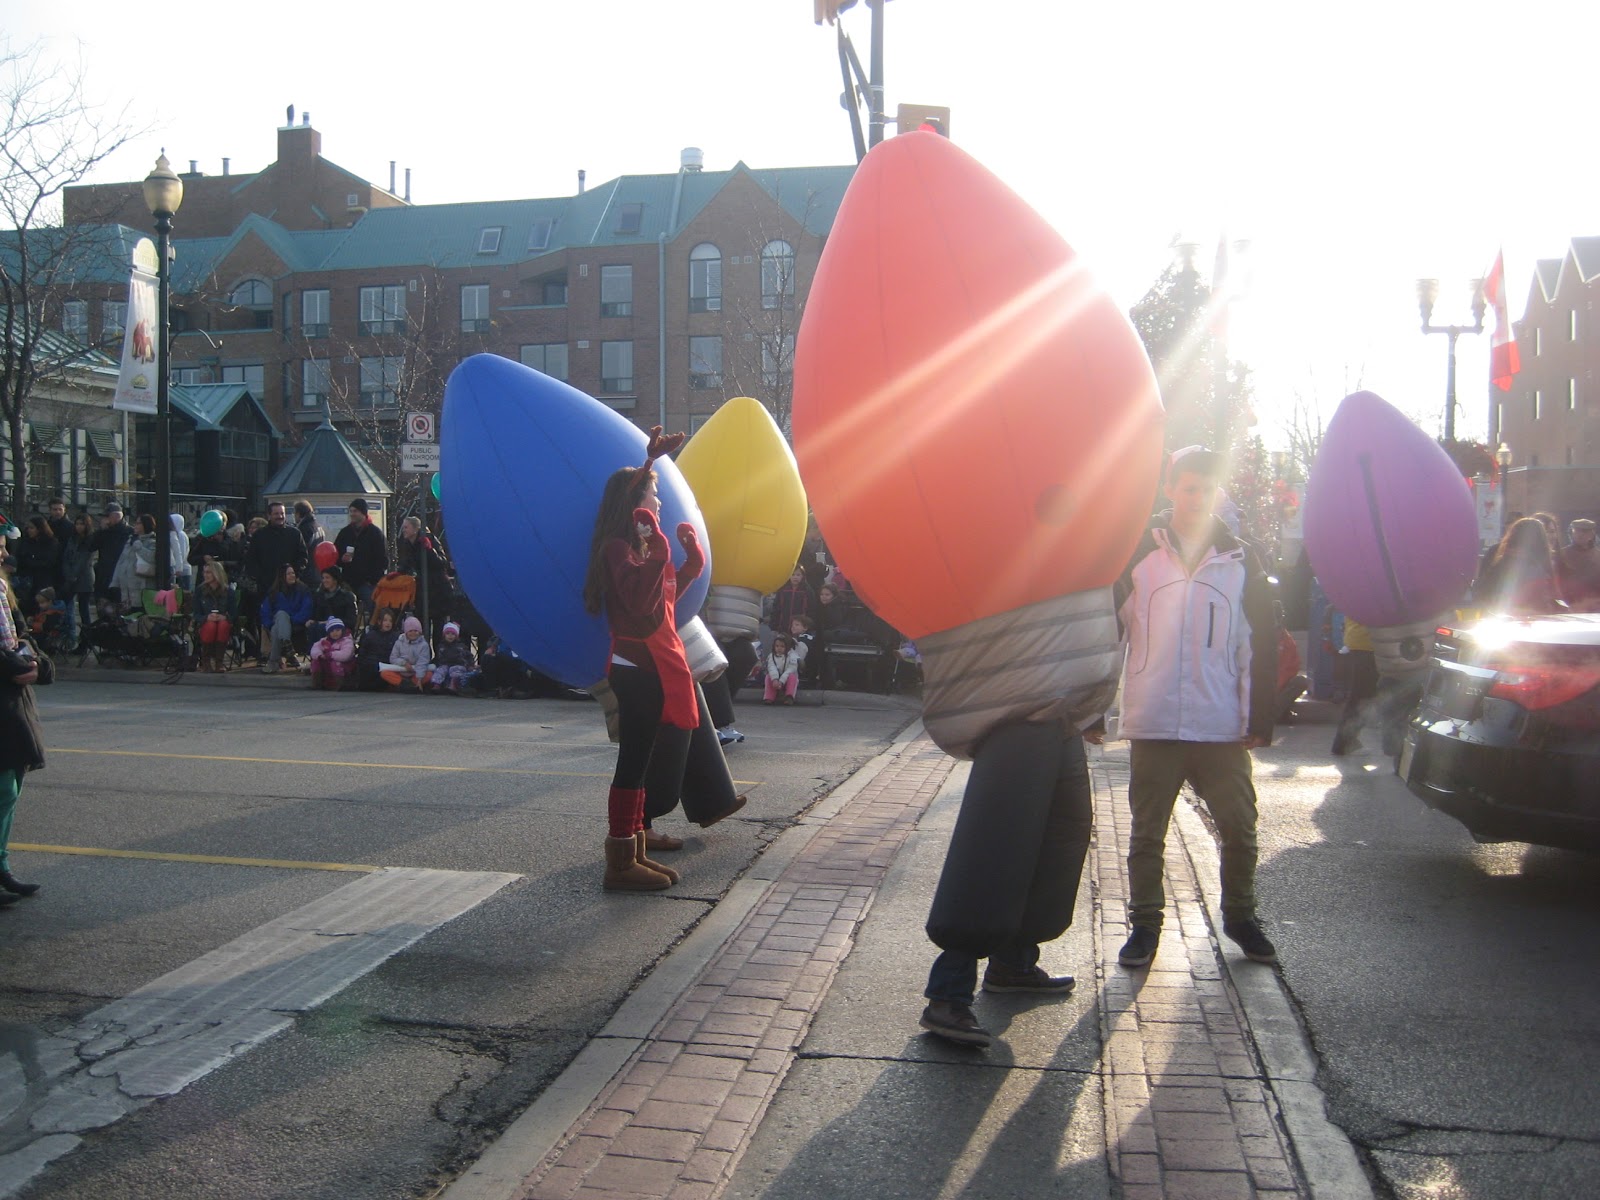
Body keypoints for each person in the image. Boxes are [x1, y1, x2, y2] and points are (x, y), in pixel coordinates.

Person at [1109, 446, 1279, 970]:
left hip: (1219, 723)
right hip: (1154, 720)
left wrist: (1259, 717)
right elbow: (1108, 634)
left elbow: (1260, 641)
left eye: (1207, 489)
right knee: (1147, 834)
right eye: (1189, 488)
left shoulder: (1241, 559)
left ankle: (1241, 917)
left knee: (1240, 828)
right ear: (1171, 490)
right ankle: (1144, 926)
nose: (1198, 498)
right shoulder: (1138, 553)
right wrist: (1093, 711)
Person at [581, 430, 707, 892]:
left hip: (651, 666)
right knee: (633, 763)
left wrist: (689, 565)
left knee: (640, 761)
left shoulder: (634, 548)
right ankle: (619, 861)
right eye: (653, 496)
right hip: (635, 668)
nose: (659, 503)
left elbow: (660, 603)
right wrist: (661, 551)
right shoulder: (618, 549)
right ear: (636, 506)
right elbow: (637, 603)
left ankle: (633, 850)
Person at [0, 566, 44, 905]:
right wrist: (14, 667)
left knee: (11, 788)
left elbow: (22, 635)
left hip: (12, 703)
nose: (3, 554)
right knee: (3, 790)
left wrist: (36, 663)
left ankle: (1, 866)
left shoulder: (3, 589)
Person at [1473, 517, 1564, 616]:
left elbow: (1485, 592)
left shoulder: (1502, 561)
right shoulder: (1534, 566)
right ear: (1540, 539)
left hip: (1499, 617)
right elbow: (1540, 599)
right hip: (1531, 618)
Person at [334, 498, 389, 621]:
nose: (352, 514)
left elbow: (383, 560)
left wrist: (372, 580)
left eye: (355, 511)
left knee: (374, 608)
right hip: (348, 581)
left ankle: (373, 628)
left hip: (367, 583)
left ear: (363, 513)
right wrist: (342, 559)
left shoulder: (375, 533)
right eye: (351, 511)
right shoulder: (345, 533)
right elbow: (335, 555)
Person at [1330, 617, 1377, 756]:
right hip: (1367, 642)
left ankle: (1345, 741)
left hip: (1357, 639)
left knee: (1362, 694)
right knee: (1362, 695)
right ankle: (1344, 742)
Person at [243, 502, 309, 602]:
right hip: (266, 587)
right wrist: (260, 577)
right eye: (276, 514)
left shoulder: (295, 534)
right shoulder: (259, 535)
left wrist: (294, 574)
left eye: (282, 513)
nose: (280, 516)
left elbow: (303, 557)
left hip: (289, 586)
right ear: (269, 516)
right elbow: (251, 559)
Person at [258, 564, 314, 674]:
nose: (292, 575)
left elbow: (307, 609)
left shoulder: (303, 590)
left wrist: (289, 621)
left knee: (278, 623)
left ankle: (273, 663)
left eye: (293, 573)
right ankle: (286, 644)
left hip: (296, 623)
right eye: (289, 574)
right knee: (280, 616)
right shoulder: (273, 592)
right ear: (282, 576)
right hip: (277, 622)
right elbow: (265, 611)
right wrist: (269, 624)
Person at [59, 514, 96, 651]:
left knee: (84, 610)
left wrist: (73, 575)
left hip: (84, 578)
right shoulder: (72, 539)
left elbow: (84, 560)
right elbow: (66, 557)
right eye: (77, 524)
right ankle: (69, 638)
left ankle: (86, 642)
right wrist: (68, 574)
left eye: (82, 524)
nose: (79, 527)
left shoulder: (90, 540)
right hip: (70, 577)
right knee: (66, 605)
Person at [13, 517, 61, 617]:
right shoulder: (26, 541)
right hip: (27, 580)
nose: (29, 530)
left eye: (32, 528)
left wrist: (32, 560)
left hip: (43, 580)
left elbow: (49, 562)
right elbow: (20, 557)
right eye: (28, 528)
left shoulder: (51, 542)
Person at [110, 514, 159, 610]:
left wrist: (138, 545)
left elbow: (151, 557)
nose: (135, 526)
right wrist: (115, 582)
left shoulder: (152, 541)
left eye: (138, 523)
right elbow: (121, 561)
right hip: (126, 586)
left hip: (141, 586)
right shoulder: (131, 540)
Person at [193, 561, 235, 672]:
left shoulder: (228, 592)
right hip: (205, 623)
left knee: (223, 625)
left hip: (222, 622)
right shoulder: (199, 591)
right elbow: (196, 614)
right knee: (211, 625)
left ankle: (219, 662)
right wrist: (207, 617)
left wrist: (225, 617)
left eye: (209, 572)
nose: (205, 575)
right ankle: (206, 661)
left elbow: (234, 613)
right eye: (204, 572)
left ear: (217, 573)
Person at [90, 502, 134, 607]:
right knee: (103, 608)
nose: (104, 519)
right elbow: (90, 546)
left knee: (120, 608)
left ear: (116, 516)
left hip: (121, 577)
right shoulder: (104, 532)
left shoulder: (129, 532)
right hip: (104, 576)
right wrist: (100, 531)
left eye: (107, 516)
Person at [307, 566, 359, 651]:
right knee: (313, 627)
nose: (324, 580)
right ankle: (314, 653)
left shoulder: (347, 596)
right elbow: (316, 615)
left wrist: (331, 622)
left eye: (327, 578)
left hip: (341, 628)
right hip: (322, 626)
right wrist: (312, 620)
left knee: (322, 628)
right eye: (323, 578)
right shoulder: (320, 596)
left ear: (335, 580)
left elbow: (351, 621)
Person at [1557, 518, 1600, 612]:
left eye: (1584, 531)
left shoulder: (1597, 555)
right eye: (1576, 531)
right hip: (1571, 605)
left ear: (1592, 534)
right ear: (1571, 533)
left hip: (1595, 606)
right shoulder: (1562, 554)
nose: (1580, 534)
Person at [381, 615, 431, 692]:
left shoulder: (424, 645)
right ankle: (404, 684)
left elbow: (423, 662)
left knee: (429, 674)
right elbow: (393, 658)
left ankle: (413, 684)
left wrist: (419, 678)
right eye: (410, 631)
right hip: (400, 672)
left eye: (416, 631)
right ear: (406, 632)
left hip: (416, 673)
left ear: (420, 632)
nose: (413, 633)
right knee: (384, 673)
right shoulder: (399, 643)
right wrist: (404, 663)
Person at [356, 607, 402, 691]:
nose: (388, 623)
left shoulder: (396, 637)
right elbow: (362, 654)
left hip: (389, 665)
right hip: (373, 665)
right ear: (379, 621)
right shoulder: (371, 636)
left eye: (390, 621)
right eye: (385, 620)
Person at [425, 621, 476, 694]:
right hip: (445, 664)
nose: (450, 636)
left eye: (452, 634)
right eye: (448, 634)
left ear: (456, 636)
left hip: (459, 664)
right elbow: (438, 657)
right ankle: (436, 685)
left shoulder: (461, 646)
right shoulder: (441, 646)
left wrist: (471, 665)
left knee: (455, 671)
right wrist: (433, 663)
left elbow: (469, 656)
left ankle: (453, 685)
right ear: (444, 635)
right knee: (440, 670)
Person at [308, 616, 356, 690]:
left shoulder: (346, 641)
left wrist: (331, 655)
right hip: (327, 665)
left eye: (337, 630)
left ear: (342, 630)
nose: (335, 633)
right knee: (316, 662)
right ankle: (317, 683)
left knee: (336, 663)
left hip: (345, 666)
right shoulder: (324, 641)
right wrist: (319, 655)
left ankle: (339, 683)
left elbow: (346, 655)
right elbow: (315, 648)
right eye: (332, 631)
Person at [768, 566, 815, 639]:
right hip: (782, 627)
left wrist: (808, 627)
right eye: (792, 574)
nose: (795, 577)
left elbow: (811, 610)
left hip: (800, 630)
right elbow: (776, 608)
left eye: (798, 575)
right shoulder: (782, 589)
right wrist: (773, 626)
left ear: (803, 576)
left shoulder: (807, 591)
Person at [762, 633, 802, 705]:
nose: (779, 648)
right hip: (776, 679)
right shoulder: (771, 656)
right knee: (768, 677)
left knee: (792, 677)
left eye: (782, 646)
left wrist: (781, 681)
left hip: (786, 678)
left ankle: (789, 697)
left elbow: (791, 669)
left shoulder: (793, 656)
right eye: (777, 646)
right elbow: (771, 667)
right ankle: (769, 697)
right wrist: (775, 679)